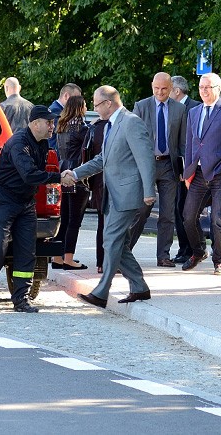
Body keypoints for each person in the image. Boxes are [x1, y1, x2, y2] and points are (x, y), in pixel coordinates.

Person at [64, 86, 155, 308]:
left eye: (96, 104)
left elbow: (146, 158)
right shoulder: (110, 126)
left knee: (111, 240)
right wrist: (75, 174)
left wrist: (149, 191)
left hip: (128, 193)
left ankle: (102, 292)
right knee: (119, 243)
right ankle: (139, 287)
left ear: (108, 103)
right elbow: (101, 160)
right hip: (112, 194)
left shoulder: (131, 122)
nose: (94, 109)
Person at [0, 105, 66, 313]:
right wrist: (59, 177)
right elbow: (29, 174)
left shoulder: (42, 143)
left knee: (27, 251)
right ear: (36, 124)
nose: (52, 126)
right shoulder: (19, 143)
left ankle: (21, 300)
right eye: (49, 122)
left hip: (26, 202)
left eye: (52, 122)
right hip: (4, 201)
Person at [181, 73, 221, 275]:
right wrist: (188, 171)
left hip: (220, 173)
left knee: (219, 218)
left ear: (218, 88)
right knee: (188, 217)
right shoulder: (194, 112)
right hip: (197, 173)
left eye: (208, 87)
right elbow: (190, 144)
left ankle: (220, 260)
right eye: (201, 87)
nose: (204, 91)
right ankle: (199, 251)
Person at [129, 72, 187, 267]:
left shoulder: (179, 109)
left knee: (168, 214)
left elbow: (183, 143)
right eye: (156, 88)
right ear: (152, 86)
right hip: (146, 165)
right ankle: (125, 253)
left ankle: (163, 255)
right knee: (141, 210)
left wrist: (183, 168)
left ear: (171, 89)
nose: (160, 92)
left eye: (164, 89)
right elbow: (133, 137)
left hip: (169, 166)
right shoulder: (141, 106)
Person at [53, 95, 90, 270]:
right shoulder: (82, 129)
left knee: (64, 218)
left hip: (62, 171)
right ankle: (68, 258)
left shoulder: (61, 126)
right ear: (80, 107)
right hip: (76, 174)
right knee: (75, 219)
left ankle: (57, 257)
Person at [170, 75, 199, 264]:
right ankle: (184, 248)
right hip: (177, 167)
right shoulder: (172, 108)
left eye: (168, 89)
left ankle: (191, 249)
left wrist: (187, 169)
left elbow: (193, 141)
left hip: (191, 169)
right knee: (179, 209)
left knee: (187, 210)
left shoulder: (195, 108)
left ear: (177, 91)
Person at [83, 115, 110, 273]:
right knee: (113, 225)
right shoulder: (118, 126)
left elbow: (87, 153)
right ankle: (109, 261)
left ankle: (101, 262)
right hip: (111, 180)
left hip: (98, 180)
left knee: (102, 222)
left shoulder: (94, 127)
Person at [48, 83, 82, 150]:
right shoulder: (56, 111)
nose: (78, 103)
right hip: (57, 154)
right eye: (76, 99)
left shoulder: (58, 110)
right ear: (66, 96)